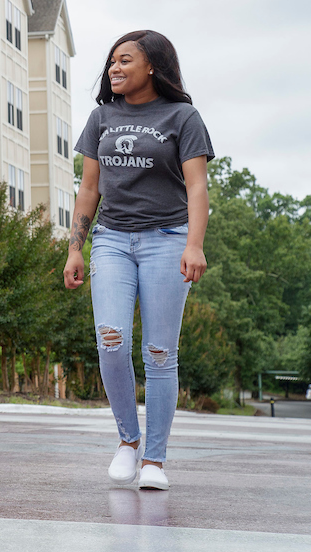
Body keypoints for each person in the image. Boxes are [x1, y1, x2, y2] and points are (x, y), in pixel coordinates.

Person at [64, 29, 213, 491]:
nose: (115, 67)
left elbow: (197, 187)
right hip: (110, 239)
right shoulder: (101, 116)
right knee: (111, 341)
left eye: (126, 60)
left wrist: (194, 243)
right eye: (112, 61)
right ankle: (128, 441)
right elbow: (89, 188)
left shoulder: (182, 116)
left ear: (153, 66)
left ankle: (155, 458)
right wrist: (75, 246)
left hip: (167, 240)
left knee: (159, 352)